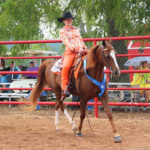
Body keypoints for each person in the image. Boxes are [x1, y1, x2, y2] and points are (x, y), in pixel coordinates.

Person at [58, 12, 88, 96]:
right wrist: (78, 49)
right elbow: (67, 42)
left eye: (70, 19)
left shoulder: (76, 29)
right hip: (70, 52)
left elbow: (80, 40)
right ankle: (64, 88)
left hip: (81, 50)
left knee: (91, 59)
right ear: (64, 21)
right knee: (66, 66)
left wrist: (84, 47)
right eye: (67, 19)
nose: (69, 21)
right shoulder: (62, 31)